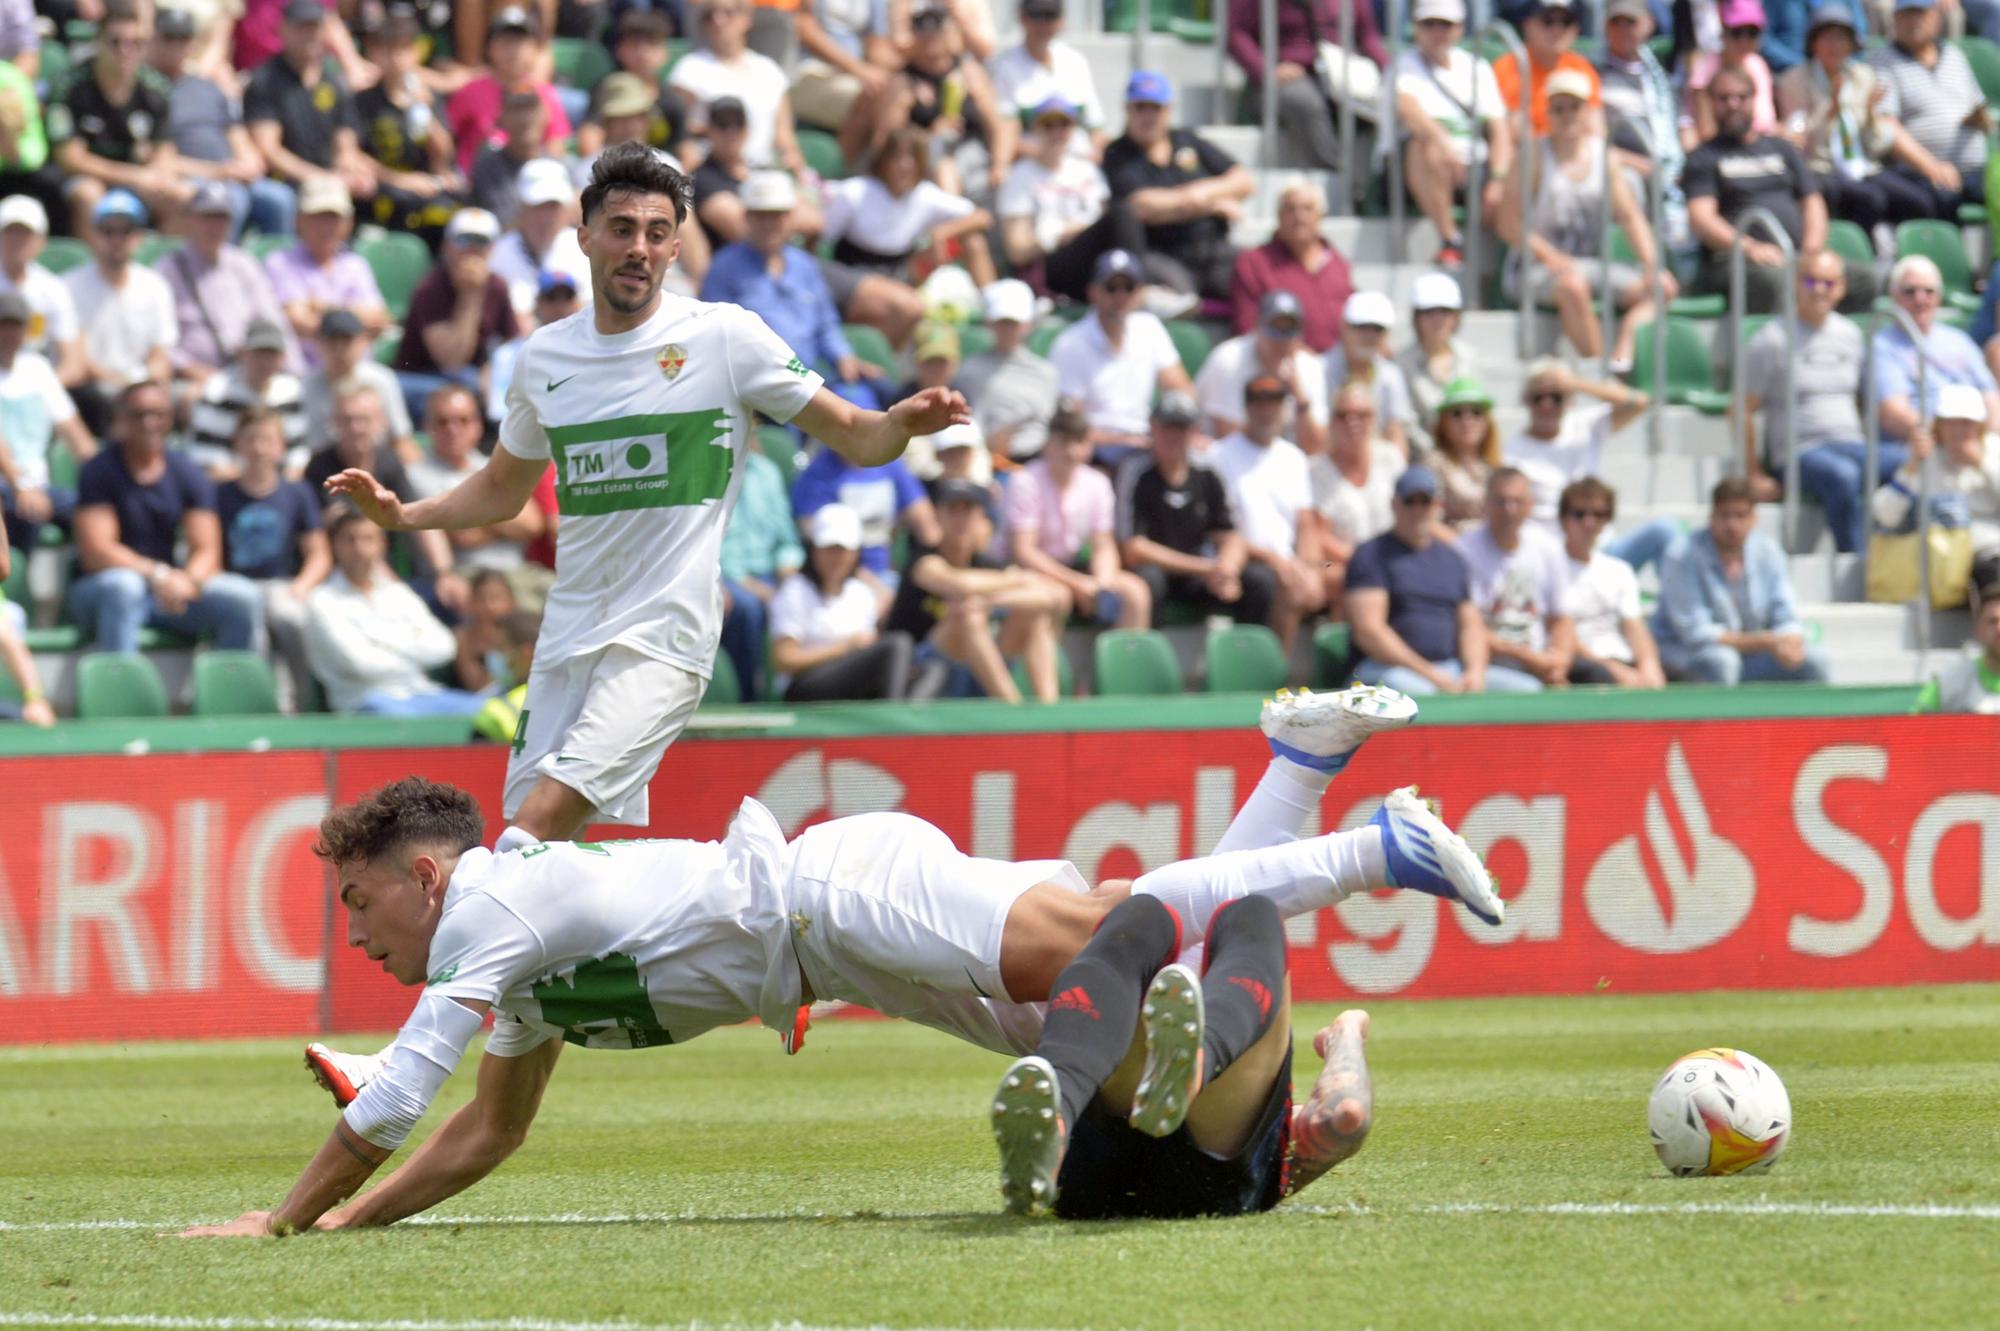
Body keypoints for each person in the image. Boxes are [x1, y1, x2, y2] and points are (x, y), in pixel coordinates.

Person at [191, 699, 1501, 1233]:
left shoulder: (483, 911)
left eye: (360, 901)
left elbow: (401, 1095)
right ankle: (1305, 761)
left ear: (423, 874)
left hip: (833, 891)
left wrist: (283, 1218)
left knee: (1114, 924)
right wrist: (348, 1236)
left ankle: (1371, 845)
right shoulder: (514, 956)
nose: (354, 935)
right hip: (843, 948)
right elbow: (484, 1130)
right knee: (1120, 961)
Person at [67, 379, 264, 654]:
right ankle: (122, 690)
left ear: (171, 419)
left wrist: (188, 582)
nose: (149, 423)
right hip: (102, 590)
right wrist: (157, 574)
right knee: (125, 586)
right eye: (139, 415)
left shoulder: (187, 471)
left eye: (158, 414)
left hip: (166, 589)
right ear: (122, 418)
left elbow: (207, 550)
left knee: (243, 597)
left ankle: (227, 689)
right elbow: (97, 552)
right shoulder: (98, 470)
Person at [1501, 67, 1674, 372]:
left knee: (1662, 286)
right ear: (1548, 113)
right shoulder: (1533, 156)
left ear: (1589, 112)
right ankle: (1599, 372)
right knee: (1573, 287)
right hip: (1533, 266)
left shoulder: (1603, 157)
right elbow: (1509, 223)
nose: (1567, 115)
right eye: (1559, 108)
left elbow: (1630, 217)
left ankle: (1623, 352)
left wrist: (1650, 264)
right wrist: (1550, 256)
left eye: (1575, 107)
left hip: (1587, 264)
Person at [1683, 63, 1873, 313]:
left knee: (1864, 280)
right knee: (1774, 281)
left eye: (1741, 97)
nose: (1733, 104)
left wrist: (1811, 251)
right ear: (1711, 103)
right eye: (1724, 98)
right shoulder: (1703, 158)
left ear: (1755, 99)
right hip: (1737, 260)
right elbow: (1702, 219)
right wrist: (1749, 247)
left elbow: (1812, 202)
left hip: (1796, 256)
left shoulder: (1782, 149)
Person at [1740, 250, 1890, 553]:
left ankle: (1898, 557)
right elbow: (1741, 409)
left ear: (1842, 287)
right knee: (1843, 476)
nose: (1820, 289)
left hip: (1850, 443)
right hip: (1799, 451)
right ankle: (1856, 562)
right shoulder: (1771, 339)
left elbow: (1862, 399)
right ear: (1796, 284)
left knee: (1907, 462)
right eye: (1811, 281)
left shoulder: (1850, 334)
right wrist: (1753, 472)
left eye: (1828, 282)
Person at [1347, 465, 1535, 694]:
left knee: (1527, 689)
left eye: (1425, 502)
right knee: (1417, 691)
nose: (1418, 509)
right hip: (1386, 670)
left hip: (1448, 669)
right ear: (1395, 505)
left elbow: (1470, 624)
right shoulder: (1371, 554)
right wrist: (1429, 674)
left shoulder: (1452, 558)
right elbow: (1370, 632)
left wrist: (1474, 671)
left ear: (1438, 506)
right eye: (1410, 501)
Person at [885, 477, 1066, 702]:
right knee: (968, 617)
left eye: (968, 511)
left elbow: (1051, 597)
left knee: (1032, 616)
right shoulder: (922, 560)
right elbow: (961, 585)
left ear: (981, 518)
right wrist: (1015, 580)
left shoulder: (987, 564)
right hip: (921, 672)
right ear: (937, 517)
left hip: (975, 668)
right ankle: (1013, 708)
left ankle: (1050, 708)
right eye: (953, 511)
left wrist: (992, 601)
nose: (960, 520)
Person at [305, 504, 485, 717]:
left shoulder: (397, 592)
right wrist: (412, 647)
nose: (359, 548)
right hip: (364, 704)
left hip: (423, 694)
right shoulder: (322, 600)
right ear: (335, 545)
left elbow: (444, 646)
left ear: (382, 545)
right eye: (350, 539)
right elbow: (361, 664)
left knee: (490, 710)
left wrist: (383, 643)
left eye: (368, 538)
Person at [1652, 476, 1832, 682]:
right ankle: (1715, 716)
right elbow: (1696, 633)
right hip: (1686, 656)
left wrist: (1789, 642)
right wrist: (1764, 642)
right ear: (1711, 516)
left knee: (1815, 661)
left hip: (1749, 655)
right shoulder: (1682, 554)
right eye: (1725, 515)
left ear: (1754, 517)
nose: (1732, 524)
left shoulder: (1768, 551)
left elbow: (1785, 615)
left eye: (1740, 515)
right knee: (1723, 661)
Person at [1774, 4, 1935, 235]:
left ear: (1852, 44)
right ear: (1814, 43)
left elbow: (1877, 146)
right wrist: (1829, 108)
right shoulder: (1795, 81)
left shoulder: (1863, 77)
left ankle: (1902, 254)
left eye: (1841, 38)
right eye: (1827, 38)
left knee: (1919, 201)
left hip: (1862, 166)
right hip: (1821, 168)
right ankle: (1865, 257)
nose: (1834, 46)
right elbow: (1799, 140)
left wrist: (1870, 116)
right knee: (1870, 199)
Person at [1117, 394, 1273, 631]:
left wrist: (1227, 569)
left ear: (1194, 431)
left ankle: (1247, 659)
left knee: (1259, 580)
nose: (1173, 436)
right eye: (1166, 426)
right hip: (1164, 571)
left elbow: (1229, 535)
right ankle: (1150, 661)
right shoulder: (1136, 471)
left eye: (1181, 428)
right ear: (1152, 427)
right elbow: (1133, 549)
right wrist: (1205, 567)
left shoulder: (1207, 471)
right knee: (1150, 579)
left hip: (1199, 574)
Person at [700, 171, 870, 386]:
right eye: (761, 215)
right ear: (747, 217)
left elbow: (826, 323)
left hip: (810, 376)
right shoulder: (724, 267)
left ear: (790, 219)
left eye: (777, 215)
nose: (769, 224)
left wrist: (843, 356)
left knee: (868, 396)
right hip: (756, 383)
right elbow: (715, 335)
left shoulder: (804, 265)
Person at [306, 381, 463, 615]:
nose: (356, 428)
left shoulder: (389, 463)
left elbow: (418, 517)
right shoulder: (320, 467)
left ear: (381, 424)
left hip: (391, 575)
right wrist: (394, 589)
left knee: (452, 599)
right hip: (343, 577)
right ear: (335, 423)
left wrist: (444, 573)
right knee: (359, 533)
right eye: (348, 420)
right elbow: (337, 530)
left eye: (364, 420)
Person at [1102, 71, 1253, 303]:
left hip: (1214, 248)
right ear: (1127, 110)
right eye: (1140, 107)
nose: (1148, 116)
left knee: (1257, 271)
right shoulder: (1118, 154)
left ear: (1169, 110)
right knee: (1179, 297)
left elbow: (1243, 180)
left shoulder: (1185, 139)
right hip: (1163, 254)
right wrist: (1214, 204)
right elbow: (1143, 206)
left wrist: (1198, 195)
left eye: (1156, 108)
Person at [1003, 402, 1154, 630]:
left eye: (1079, 442)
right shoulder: (1025, 481)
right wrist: (1078, 584)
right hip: (1025, 572)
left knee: (1136, 591)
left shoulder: (1097, 483)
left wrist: (1102, 584)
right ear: (1048, 444)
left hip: (1072, 569)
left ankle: (1121, 663)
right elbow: (1024, 552)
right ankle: (1047, 666)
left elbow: (1103, 545)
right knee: (1058, 596)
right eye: (1064, 442)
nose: (1072, 451)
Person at [1387, 0, 1513, 271]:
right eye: (1428, 24)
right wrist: (1443, 141)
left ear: (1460, 29)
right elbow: (1407, 109)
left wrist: (1500, 179)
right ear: (1416, 28)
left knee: (1523, 167)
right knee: (1425, 145)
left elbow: (1500, 130)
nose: (1436, 31)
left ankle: (1515, 267)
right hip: (1411, 170)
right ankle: (1450, 239)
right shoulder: (1401, 66)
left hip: (1472, 167)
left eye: (1444, 24)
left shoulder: (1477, 68)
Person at [216, 405, 328, 708]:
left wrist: (302, 585)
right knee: (251, 623)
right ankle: (257, 702)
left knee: (291, 617)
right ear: (237, 444)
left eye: (266, 439)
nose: (258, 448)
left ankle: (304, 703)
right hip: (237, 585)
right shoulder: (220, 495)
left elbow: (318, 553)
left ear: (281, 447)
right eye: (250, 439)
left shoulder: (297, 493)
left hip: (283, 584)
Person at [47, 3, 191, 238]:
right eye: (116, 42)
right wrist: (133, 177)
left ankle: (164, 269)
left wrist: (158, 175)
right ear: (98, 42)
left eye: (136, 43)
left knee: (181, 195)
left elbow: (164, 148)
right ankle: (99, 271)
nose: (126, 50)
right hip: (87, 177)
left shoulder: (157, 89)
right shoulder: (70, 88)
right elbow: (71, 159)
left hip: (137, 176)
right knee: (88, 194)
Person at [1210, 378, 1328, 651]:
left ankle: (1341, 674)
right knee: (1279, 586)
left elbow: (1306, 524)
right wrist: (1277, 561)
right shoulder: (1219, 456)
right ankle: (1276, 678)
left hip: (1286, 561)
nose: (1267, 410)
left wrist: (1311, 571)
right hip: (1245, 560)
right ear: (1247, 407)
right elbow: (1220, 532)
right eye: (1259, 402)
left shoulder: (1293, 458)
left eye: (1274, 402)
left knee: (1340, 580)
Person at [1050, 249, 1194, 463]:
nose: (1120, 296)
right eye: (1111, 287)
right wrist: (1121, 441)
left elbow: (1183, 393)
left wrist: (1176, 432)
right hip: (1094, 449)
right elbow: (1070, 423)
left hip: (1146, 441)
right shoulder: (1070, 344)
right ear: (1093, 292)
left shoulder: (1150, 328)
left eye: (1129, 287)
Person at [820, 127, 997, 287]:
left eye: (913, 158)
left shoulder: (925, 195)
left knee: (973, 240)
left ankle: (993, 307)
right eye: (897, 157)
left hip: (900, 274)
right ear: (883, 160)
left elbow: (982, 217)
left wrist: (942, 233)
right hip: (853, 273)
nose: (905, 165)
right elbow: (823, 240)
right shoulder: (854, 191)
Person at [164, 179, 300, 388]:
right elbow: (159, 343)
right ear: (189, 219)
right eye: (207, 217)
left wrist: (295, 373)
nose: (215, 226)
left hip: (249, 373)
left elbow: (273, 321)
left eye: (222, 218)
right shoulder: (168, 270)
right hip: (192, 379)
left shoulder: (243, 264)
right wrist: (190, 370)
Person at [769, 503, 912, 701]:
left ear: (855, 553)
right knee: (898, 644)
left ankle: (901, 721)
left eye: (843, 550)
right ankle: (894, 721)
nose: (836, 558)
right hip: (805, 687)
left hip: (853, 685)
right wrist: (843, 648)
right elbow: (784, 660)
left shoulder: (861, 592)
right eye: (829, 549)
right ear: (814, 550)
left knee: (932, 669)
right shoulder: (795, 591)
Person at [242, 0, 375, 210]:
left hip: (331, 184)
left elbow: (345, 142)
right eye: (300, 27)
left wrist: (351, 172)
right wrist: (323, 179)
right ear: (283, 29)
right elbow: (269, 150)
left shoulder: (332, 80)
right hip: (288, 183)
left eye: (314, 27)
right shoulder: (265, 80)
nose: (308, 35)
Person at [62, 191, 174, 438]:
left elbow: (160, 357)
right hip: (94, 390)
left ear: (140, 237)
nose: (117, 238)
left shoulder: (155, 286)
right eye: (108, 230)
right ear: (93, 235)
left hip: (140, 386)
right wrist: (119, 382)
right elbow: (77, 359)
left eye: (126, 231)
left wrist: (141, 383)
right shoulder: (70, 286)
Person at [391, 207, 519, 424]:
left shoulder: (497, 286)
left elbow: (513, 345)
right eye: (463, 240)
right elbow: (451, 361)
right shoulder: (430, 288)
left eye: (481, 242)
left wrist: (492, 371)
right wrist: (470, 296)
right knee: (466, 388)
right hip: (419, 377)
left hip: (470, 377)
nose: (472, 249)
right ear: (446, 246)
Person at [350, 2, 463, 246]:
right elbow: (352, 155)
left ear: (415, 52)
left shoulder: (427, 97)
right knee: (403, 202)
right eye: (389, 48)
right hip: (386, 189)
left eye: (403, 48)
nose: (396, 57)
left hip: (424, 186)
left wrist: (425, 113)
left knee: (453, 204)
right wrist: (401, 180)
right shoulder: (363, 101)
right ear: (375, 51)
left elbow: (443, 158)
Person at [1228, 0, 1384, 174]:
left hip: (1338, 78)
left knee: (1386, 104)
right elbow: (1235, 33)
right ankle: (1337, 179)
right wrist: (1267, 71)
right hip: (1280, 83)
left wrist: (1393, 75)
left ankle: (1377, 183)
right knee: (1305, 101)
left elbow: (1368, 36)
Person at [408, 383, 545, 579]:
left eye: (463, 420)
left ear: (477, 426)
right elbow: (462, 534)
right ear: (428, 427)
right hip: (467, 578)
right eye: (443, 421)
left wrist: (475, 517)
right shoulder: (416, 475)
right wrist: (502, 514)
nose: (453, 429)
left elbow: (532, 525)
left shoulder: (495, 465)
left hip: (517, 574)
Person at [1868, 0, 1990, 219]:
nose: (1914, 21)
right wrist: (1931, 166)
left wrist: (1980, 119)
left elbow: (1977, 106)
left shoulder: (1954, 56)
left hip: (1975, 169)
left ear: (1936, 17)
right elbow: (1886, 126)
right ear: (1894, 19)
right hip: (1923, 173)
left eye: (1921, 13)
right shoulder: (1883, 62)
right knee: (1940, 198)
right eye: (1907, 14)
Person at [1502, 358, 1652, 536]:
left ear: (1569, 399)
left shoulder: (1585, 425)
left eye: (1556, 397)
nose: (1546, 404)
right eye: (1538, 397)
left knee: (1663, 531)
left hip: (1597, 545)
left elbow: (1639, 402)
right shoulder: (1511, 452)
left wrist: (1576, 383)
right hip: (1547, 548)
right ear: (1526, 401)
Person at [1455, 468, 1570, 691]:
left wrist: (1560, 661)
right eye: (1501, 501)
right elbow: (1470, 627)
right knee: (1528, 689)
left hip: (1540, 659)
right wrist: (1531, 659)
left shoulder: (1548, 547)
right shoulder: (1463, 550)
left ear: (1530, 505)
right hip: (1489, 662)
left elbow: (1561, 619)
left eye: (1517, 501)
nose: (1509, 510)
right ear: (1486, 503)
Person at [1870, 382, 2000, 576]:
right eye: (1951, 422)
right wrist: (1911, 467)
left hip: (1990, 550)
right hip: (1940, 558)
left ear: (1979, 426)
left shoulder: (1994, 449)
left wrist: (1981, 464)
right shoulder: (1924, 460)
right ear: (1938, 426)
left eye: (1966, 423)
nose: (1958, 431)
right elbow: (1886, 516)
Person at [0, 292, 95, 555]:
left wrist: (104, 477)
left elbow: (73, 431)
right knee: (24, 511)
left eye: (15, 325)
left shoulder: (38, 369)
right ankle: (20, 591)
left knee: (95, 510)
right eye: (3, 324)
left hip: (39, 486)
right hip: (9, 486)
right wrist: (20, 485)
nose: (9, 333)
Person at [887, 0, 1011, 199]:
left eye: (936, 25)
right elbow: (888, 142)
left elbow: (999, 125)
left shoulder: (970, 73)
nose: (930, 35)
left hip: (973, 159)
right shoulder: (903, 81)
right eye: (921, 26)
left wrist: (999, 166)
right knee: (944, 166)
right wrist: (930, 134)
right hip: (923, 167)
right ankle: (957, 223)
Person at [1873, 255, 2000, 445]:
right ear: (1893, 296)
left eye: (1929, 291)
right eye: (1910, 291)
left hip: (1975, 444)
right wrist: (1950, 440)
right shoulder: (1883, 345)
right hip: (1921, 449)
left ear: (1939, 297)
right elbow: (1893, 414)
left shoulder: (1959, 340)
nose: (1920, 299)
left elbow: (1990, 397)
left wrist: (1987, 442)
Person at [666, 0, 804, 175]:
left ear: (747, 19)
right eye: (710, 16)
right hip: (711, 171)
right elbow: (682, 133)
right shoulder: (688, 70)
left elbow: (784, 136)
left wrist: (795, 164)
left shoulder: (769, 70)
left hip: (763, 171)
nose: (718, 21)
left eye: (728, 13)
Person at [996, 94, 1112, 302]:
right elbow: (1016, 249)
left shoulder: (1088, 171)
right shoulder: (1020, 176)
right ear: (1035, 129)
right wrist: (1059, 235)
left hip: (1093, 259)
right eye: (1049, 125)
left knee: (1123, 213)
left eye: (1064, 125)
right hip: (1051, 262)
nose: (1057, 132)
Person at [718, 427, 805, 702]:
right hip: (724, 576)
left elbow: (787, 539)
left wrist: (788, 570)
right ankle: (748, 698)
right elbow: (707, 549)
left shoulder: (767, 472)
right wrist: (745, 582)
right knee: (748, 607)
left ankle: (793, 696)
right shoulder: (704, 475)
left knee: (801, 596)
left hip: (769, 574)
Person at [265, 175, 391, 360]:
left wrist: (322, 308)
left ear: (349, 223)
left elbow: (379, 321)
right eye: (317, 217)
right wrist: (353, 318)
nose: (325, 227)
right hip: (302, 378)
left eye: (333, 218)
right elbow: (298, 322)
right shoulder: (280, 263)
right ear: (299, 220)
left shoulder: (356, 265)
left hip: (357, 374)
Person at [790, 426, 941, 580]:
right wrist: (874, 587)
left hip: (887, 573)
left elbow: (927, 528)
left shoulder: (891, 463)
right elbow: (818, 547)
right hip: (840, 578)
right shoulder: (817, 474)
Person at [1595, 0, 1687, 254]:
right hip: (1622, 167)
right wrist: (1638, 164)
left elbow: (1683, 126)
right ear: (1605, 27)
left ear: (1649, 24)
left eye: (1631, 22)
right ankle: (1635, 270)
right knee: (1629, 182)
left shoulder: (1660, 77)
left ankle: (1686, 276)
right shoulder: (1594, 74)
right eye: (1616, 22)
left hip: (1668, 166)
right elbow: (1592, 139)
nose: (1623, 29)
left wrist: (1688, 162)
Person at [1557, 477, 1665, 687]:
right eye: (1579, 514)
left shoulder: (1619, 570)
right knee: (1598, 676)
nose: (1589, 522)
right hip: (1579, 664)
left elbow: (1635, 626)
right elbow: (1561, 632)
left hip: (1619, 658)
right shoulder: (1551, 570)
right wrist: (1615, 670)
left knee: (1689, 678)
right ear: (1563, 519)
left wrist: (1649, 665)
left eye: (1599, 514)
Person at [447, 5, 574, 177]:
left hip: (530, 180)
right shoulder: (470, 91)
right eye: (505, 42)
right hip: (477, 180)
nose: (513, 50)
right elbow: (449, 137)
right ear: (489, 48)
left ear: (533, 49)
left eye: (520, 42)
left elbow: (556, 144)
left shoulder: (544, 93)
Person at [1230, 179, 1354, 353]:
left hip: (1340, 365)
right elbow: (1248, 328)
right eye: (1291, 208)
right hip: (1281, 365)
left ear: (1321, 215)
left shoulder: (1337, 262)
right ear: (1279, 215)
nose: (1299, 216)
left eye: (1308, 208)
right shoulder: (1254, 262)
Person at [1196, 290, 1328, 452]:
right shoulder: (1229, 360)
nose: (1281, 339)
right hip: (1220, 459)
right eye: (1275, 327)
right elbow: (1229, 438)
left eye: (1289, 329)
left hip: (1279, 461)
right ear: (1257, 326)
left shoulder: (1310, 367)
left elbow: (1315, 448)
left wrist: (1300, 397)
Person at [186, 317, 309, 474]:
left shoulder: (291, 391)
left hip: (278, 484)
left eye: (271, 354)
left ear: (283, 357)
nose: (265, 361)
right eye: (259, 353)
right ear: (243, 353)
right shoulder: (217, 391)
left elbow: (297, 455)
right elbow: (207, 458)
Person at [990, 0, 1108, 163]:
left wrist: (1095, 156)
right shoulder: (1005, 67)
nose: (1044, 24)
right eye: (1037, 16)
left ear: (1061, 21)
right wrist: (1047, 156)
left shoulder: (1076, 61)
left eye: (1050, 16)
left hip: (1081, 164)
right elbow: (1004, 133)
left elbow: (1096, 126)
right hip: (1030, 165)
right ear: (1023, 18)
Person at [956, 278, 1058, 464]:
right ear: (989, 323)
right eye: (1003, 322)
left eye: (1014, 323)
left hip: (1039, 463)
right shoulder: (969, 370)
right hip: (985, 463)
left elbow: (1051, 425)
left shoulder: (1046, 373)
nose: (1008, 329)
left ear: (1028, 324)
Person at [789, 0, 901, 164]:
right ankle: (836, 174)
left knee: (897, 90)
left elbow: (878, 47)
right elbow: (804, 27)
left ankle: (879, 176)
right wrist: (857, 69)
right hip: (811, 71)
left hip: (854, 76)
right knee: (873, 97)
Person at [0, 195, 85, 396]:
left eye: (25, 233)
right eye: (11, 232)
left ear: (41, 240)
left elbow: (72, 363)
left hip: (39, 382)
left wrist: (40, 390)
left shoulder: (53, 288)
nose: (17, 240)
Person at [302, 308, 414, 458]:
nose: (340, 349)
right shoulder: (308, 386)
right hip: (326, 466)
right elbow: (314, 445)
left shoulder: (382, 380)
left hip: (378, 463)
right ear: (319, 343)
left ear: (362, 342)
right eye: (333, 341)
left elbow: (400, 439)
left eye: (347, 341)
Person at [1493, 0, 1603, 140]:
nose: (1557, 30)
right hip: (1528, 156)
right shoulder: (1509, 66)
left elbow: (1596, 132)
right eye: (1548, 21)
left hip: (1574, 154)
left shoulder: (1582, 67)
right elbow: (1514, 133)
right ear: (1527, 24)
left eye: (1566, 22)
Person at [1322, 291, 1413, 453]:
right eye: (1361, 327)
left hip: (1377, 466)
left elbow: (1396, 435)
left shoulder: (1391, 376)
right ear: (1344, 326)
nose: (1369, 335)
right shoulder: (1319, 370)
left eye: (1377, 329)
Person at [1397, 272, 1478, 446]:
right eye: (1429, 312)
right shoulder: (1401, 364)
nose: (1437, 319)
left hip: (1466, 451)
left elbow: (1479, 411)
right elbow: (1406, 422)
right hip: (1420, 458)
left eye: (1445, 312)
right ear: (1416, 318)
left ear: (1456, 317)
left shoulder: (1469, 357)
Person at [1685, 0, 1779, 145]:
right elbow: (1707, 132)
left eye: (1752, 33)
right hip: (1723, 150)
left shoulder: (1758, 65)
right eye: (1737, 32)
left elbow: (1768, 123)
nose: (1744, 40)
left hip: (1763, 145)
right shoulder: (1705, 70)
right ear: (1724, 32)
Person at [1425, 376, 1502, 529]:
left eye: (1476, 412)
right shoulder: (1433, 464)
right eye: (1456, 413)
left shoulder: (1495, 464)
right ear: (1443, 423)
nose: (1467, 420)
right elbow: (1427, 521)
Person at [1912, 586, 2000, 712]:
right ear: (1978, 629)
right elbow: (1915, 725)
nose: (1999, 630)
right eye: (1992, 621)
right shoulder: (1951, 680)